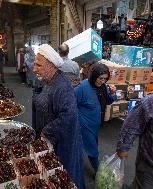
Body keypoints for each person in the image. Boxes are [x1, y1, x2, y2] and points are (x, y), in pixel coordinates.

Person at [32, 44, 85, 189]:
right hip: (50, 142)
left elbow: (68, 116)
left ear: (51, 66)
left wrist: (45, 132)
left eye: (38, 65)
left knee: (63, 177)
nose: (34, 68)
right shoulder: (49, 81)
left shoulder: (62, 87)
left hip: (61, 145)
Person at [74, 64, 117, 172]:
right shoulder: (82, 87)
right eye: (100, 78)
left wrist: (113, 93)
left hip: (95, 125)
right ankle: (99, 173)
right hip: (84, 125)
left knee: (88, 145)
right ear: (94, 76)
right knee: (92, 150)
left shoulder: (103, 87)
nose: (102, 81)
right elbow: (71, 106)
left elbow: (108, 100)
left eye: (105, 79)